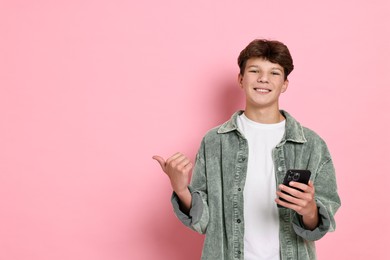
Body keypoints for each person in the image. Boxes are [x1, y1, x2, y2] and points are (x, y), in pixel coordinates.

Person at [153, 39, 341, 260]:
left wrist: (309, 209)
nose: (263, 78)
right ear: (241, 79)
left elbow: (320, 221)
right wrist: (181, 189)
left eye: (274, 73)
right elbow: (204, 223)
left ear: (285, 84)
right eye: (254, 70)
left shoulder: (311, 144)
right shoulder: (215, 142)